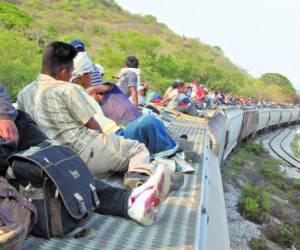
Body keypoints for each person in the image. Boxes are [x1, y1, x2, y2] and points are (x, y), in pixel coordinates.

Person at [1, 85, 172, 227]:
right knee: (44, 169)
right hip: (89, 145)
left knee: (32, 136)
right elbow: (96, 128)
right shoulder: (71, 90)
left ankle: (130, 200)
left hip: (22, 138)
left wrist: (5, 116)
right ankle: (133, 191)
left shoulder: (30, 92)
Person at [17, 41, 175, 188]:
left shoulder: (24, 93)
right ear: (64, 72)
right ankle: (138, 177)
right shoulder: (68, 89)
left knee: (118, 150)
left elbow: (27, 126)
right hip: (83, 152)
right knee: (137, 149)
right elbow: (94, 128)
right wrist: (109, 145)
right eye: (71, 71)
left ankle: (123, 168)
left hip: (53, 157)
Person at [70, 52, 179, 157]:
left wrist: (91, 90)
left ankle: (169, 148)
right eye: (89, 73)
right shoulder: (77, 98)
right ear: (80, 77)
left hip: (119, 132)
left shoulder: (106, 91)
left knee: (151, 120)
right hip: (114, 138)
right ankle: (169, 151)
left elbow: (108, 87)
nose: (91, 76)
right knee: (149, 121)